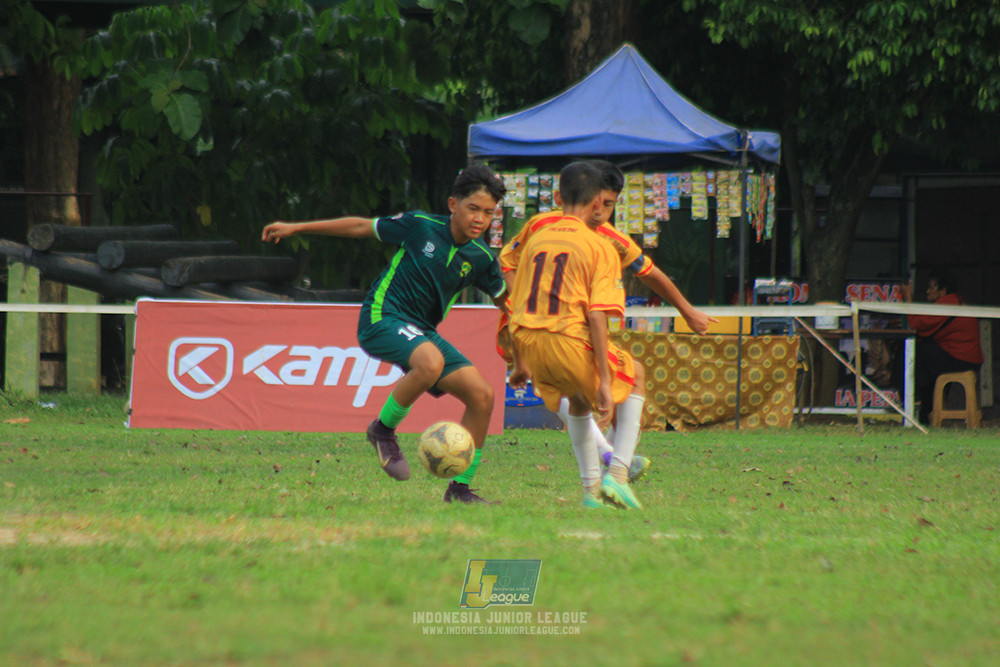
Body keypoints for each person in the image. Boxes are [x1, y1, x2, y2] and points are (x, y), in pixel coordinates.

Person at [261, 162, 508, 503]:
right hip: (382, 317)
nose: (480, 219)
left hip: (421, 332)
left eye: (489, 213)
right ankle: (382, 430)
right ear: (453, 205)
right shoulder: (420, 226)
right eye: (473, 209)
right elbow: (361, 226)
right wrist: (297, 227)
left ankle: (460, 490)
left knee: (482, 396)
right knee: (431, 363)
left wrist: (524, 351)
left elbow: (508, 304)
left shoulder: (481, 258)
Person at [497, 159, 717, 483]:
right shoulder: (550, 229)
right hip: (541, 327)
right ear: (591, 198)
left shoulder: (610, 239)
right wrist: (524, 301)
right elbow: (508, 262)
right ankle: (613, 466)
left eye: (611, 205)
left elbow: (649, 272)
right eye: (601, 202)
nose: (602, 212)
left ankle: (602, 467)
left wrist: (687, 310)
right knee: (621, 378)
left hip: (548, 331)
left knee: (578, 392)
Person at [507, 161, 644, 510]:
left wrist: (519, 363)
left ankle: (590, 493)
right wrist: (605, 381)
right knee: (637, 374)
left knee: (579, 402)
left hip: (530, 343)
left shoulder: (536, 239)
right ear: (598, 202)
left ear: (558, 196)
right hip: (567, 340)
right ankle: (619, 475)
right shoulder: (598, 245)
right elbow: (597, 315)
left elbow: (514, 305)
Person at [901, 270, 983, 424]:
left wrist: (908, 298)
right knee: (925, 356)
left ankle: (908, 399)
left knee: (911, 353)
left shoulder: (947, 303)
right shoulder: (954, 301)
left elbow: (916, 324)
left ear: (943, 291)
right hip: (964, 357)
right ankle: (927, 412)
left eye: (932, 287)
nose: (927, 291)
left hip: (960, 358)